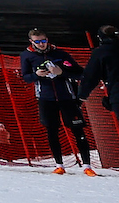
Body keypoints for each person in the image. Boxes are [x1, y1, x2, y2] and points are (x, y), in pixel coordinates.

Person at [19, 29, 97, 175]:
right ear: (31, 42)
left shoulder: (60, 54)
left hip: (66, 97)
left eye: (43, 41)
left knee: (78, 129)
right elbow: (25, 77)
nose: (41, 44)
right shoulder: (27, 56)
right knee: (52, 131)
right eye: (38, 42)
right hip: (45, 98)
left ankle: (87, 166)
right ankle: (59, 165)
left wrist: (62, 73)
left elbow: (80, 73)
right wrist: (36, 75)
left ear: (47, 39)